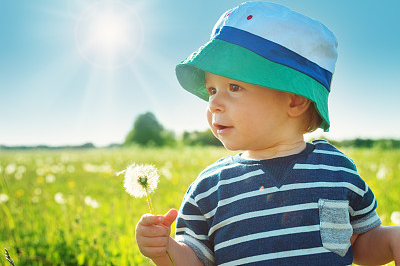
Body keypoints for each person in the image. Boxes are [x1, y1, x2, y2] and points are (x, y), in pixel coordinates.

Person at [135, 2, 400, 265]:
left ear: (295, 100)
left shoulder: (337, 171)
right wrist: (164, 249)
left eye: (234, 87)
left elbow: (360, 246)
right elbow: (195, 260)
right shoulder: (209, 188)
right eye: (212, 90)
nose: (213, 103)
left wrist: (391, 240)